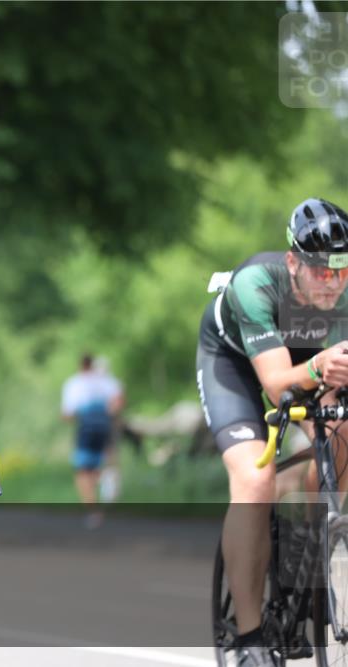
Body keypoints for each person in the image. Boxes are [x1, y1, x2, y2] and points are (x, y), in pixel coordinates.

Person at [196, 198, 348, 666]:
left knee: (341, 430)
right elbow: (278, 384)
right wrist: (322, 363)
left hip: (308, 354)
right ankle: (248, 637)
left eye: (342, 269)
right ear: (292, 262)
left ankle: (315, 526)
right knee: (254, 479)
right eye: (320, 269)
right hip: (236, 365)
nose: (333, 281)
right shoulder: (255, 285)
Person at [61, 353, 123, 528]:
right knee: (97, 465)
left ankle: (94, 512)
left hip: (86, 428)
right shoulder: (106, 380)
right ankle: (105, 477)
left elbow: (68, 413)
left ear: (81, 366)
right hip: (105, 426)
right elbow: (118, 401)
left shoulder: (75, 383)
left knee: (82, 472)